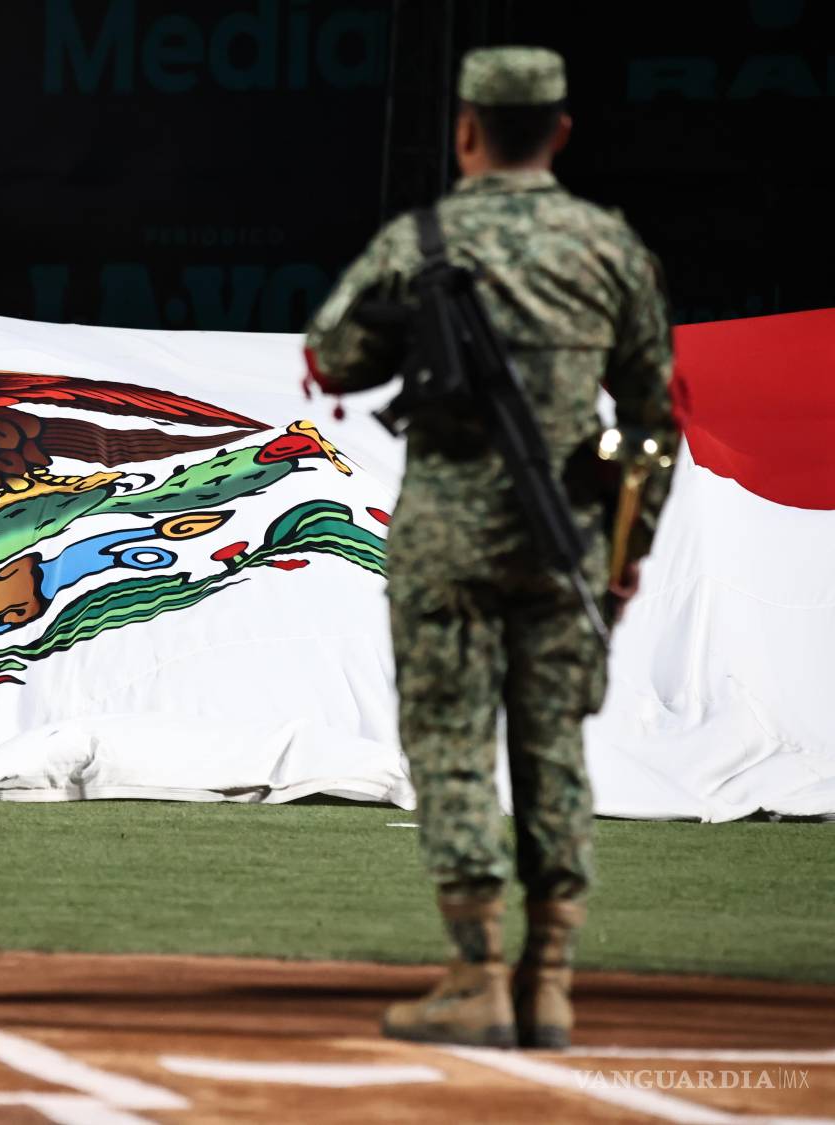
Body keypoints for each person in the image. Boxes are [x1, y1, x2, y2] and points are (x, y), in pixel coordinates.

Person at [304, 47, 678, 1048]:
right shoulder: (609, 247)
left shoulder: (420, 240)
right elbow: (655, 418)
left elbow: (332, 356)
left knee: (451, 746)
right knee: (553, 748)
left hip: (447, 546)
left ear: (465, 130)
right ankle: (549, 979)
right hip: (566, 546)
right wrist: (626, 549)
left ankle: (474, 974)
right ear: (560, 132)